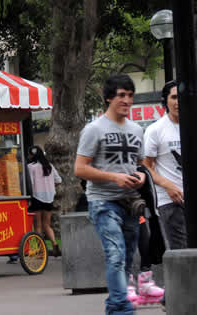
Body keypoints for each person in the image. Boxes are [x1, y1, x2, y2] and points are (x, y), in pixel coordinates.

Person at [74, 74, 146, 315]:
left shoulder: (137, 129)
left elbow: (141, 164)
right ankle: (123, 310)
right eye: (121, 95)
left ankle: (115, 308)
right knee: (115, 255)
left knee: (126, 259)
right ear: (108, 98)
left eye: (130, 95)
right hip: (103, 202)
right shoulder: (94, 129)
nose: (127, 100)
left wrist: (142, 176)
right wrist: (114, 177)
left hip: (131, 203)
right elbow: (79, 169)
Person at [143, 80, 187, 309]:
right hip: (170, 201)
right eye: (173, 97)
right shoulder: (156, 130)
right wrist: (167, 185)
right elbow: (147, 165)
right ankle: (175, 299)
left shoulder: (194, 125)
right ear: (165, 102)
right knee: (180, 251)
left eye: (182, 97)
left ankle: (178, 295)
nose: (178, 102)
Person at [27, 145, 62, 257]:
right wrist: (50, 187)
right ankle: (55, 244)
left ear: (32, 155)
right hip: (49, 198)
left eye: (29, 154)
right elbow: (59, 180)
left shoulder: (30, 167)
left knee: (37, 226)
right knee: (47, 225)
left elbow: (31, 184)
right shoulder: (49, 166)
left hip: (36, 198)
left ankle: (42, 251)